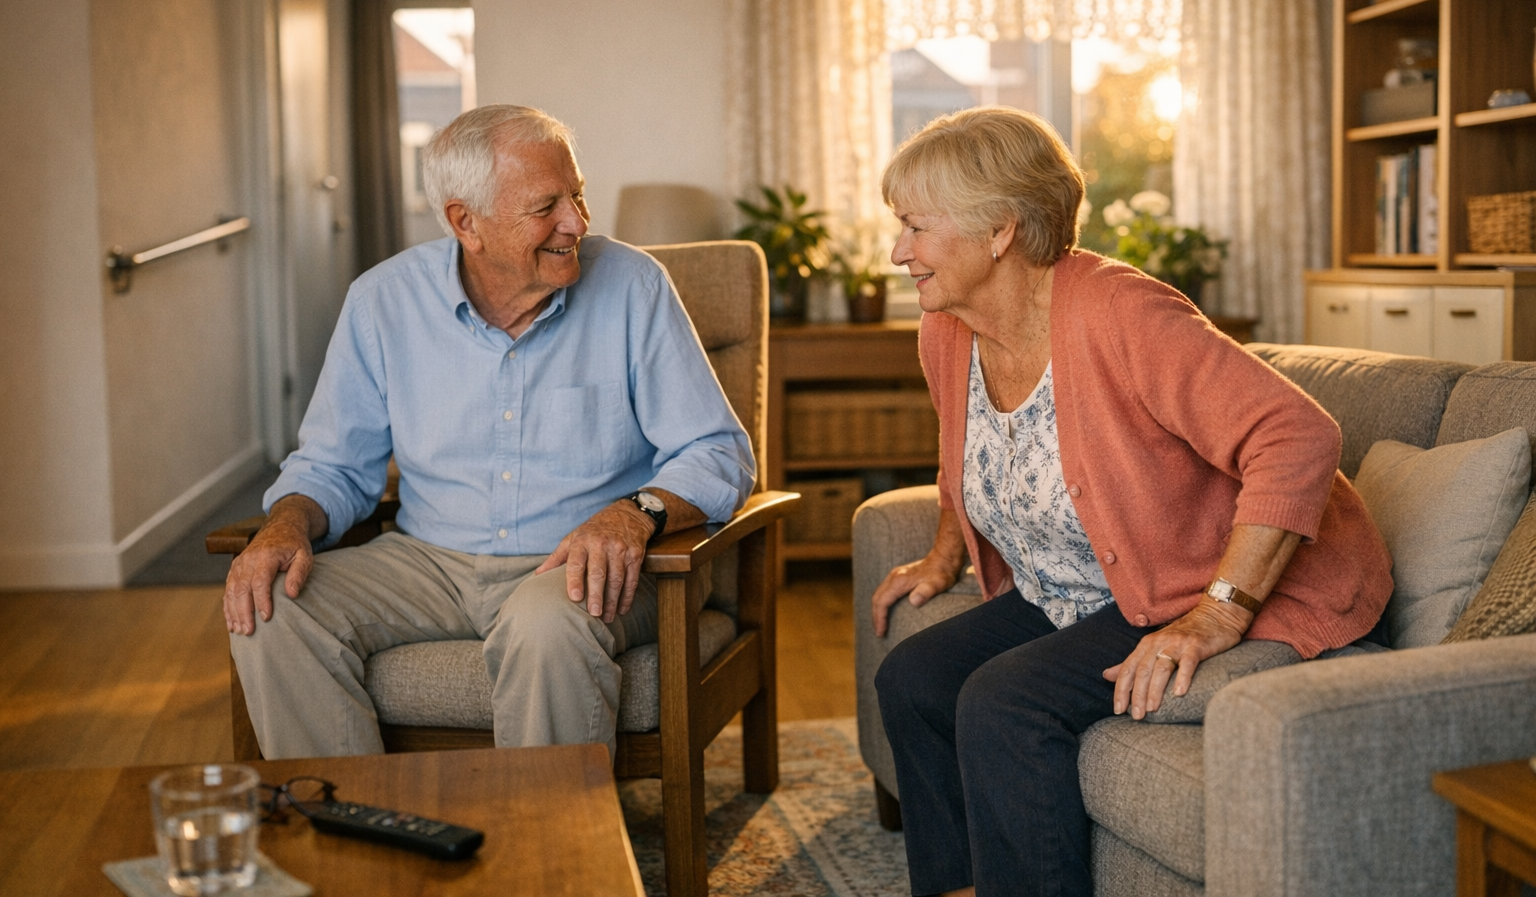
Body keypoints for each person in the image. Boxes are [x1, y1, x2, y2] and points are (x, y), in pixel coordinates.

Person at [869, 107, 1392, 897]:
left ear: (999, 230)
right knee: (912, 677)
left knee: (1005, 705)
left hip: (1189, 581)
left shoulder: (1122, 313)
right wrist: (947, 551)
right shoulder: (948, 329)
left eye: (915, 226)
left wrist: (1218, 610)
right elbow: (968, 453)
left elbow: (1300, 436)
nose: (899, 251)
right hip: (1081, 587)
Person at [224, 104, 755, 760]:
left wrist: (634, 513)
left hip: (580, 564)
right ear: (464, 222)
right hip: (429, 561)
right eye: (546, 207)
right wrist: (286, 523)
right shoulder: (383, 301)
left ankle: (554, 851)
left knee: (545, 625)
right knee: (275, 607)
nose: (577, 223)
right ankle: (357, 834)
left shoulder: (633, 286)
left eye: (578, 197)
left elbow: (718, 450)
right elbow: (333, 464)